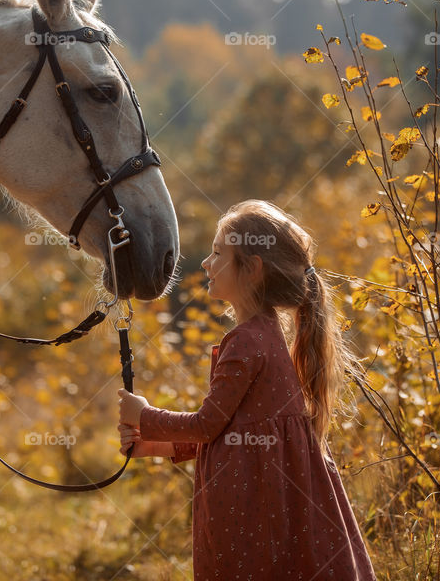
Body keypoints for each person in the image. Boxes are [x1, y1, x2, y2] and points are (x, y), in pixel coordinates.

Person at [117, 199, 378, 580]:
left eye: (218, 253)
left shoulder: (245, 341)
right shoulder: (267, 334)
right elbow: (233, 432)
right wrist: (151, 443)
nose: (205, 263)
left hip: (251, 512)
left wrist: (143, 414)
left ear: (252, 269)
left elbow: (208, 425)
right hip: (271, 506)